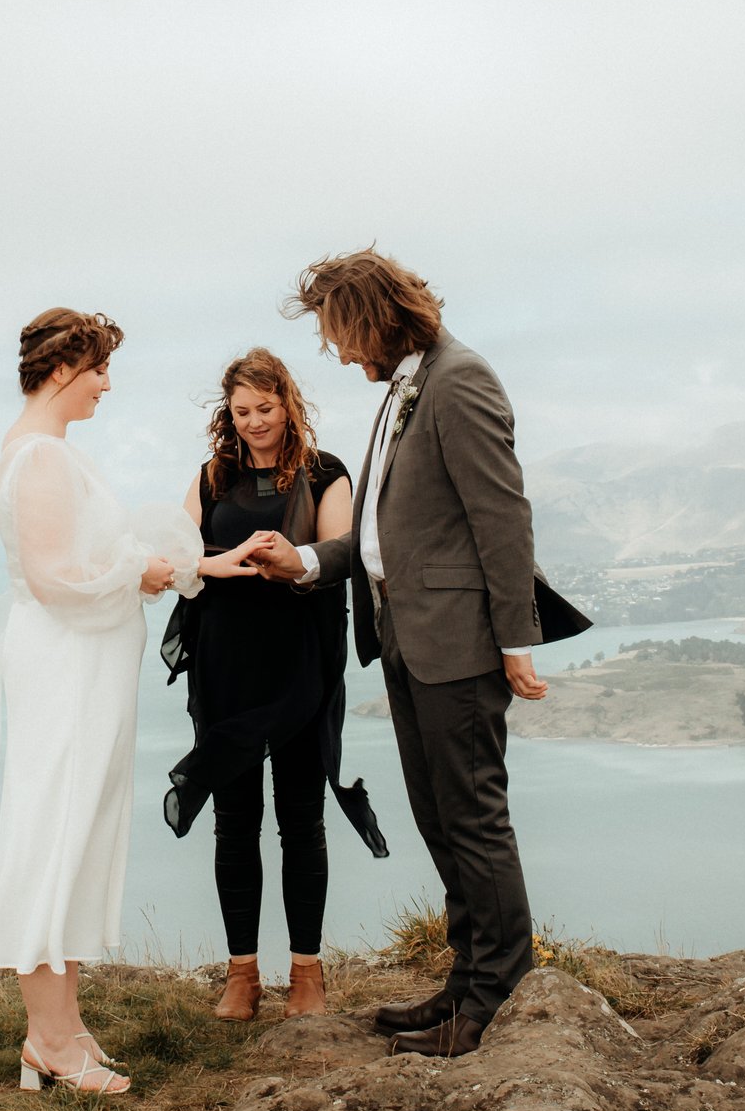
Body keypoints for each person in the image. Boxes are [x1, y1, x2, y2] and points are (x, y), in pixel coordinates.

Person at [248, 251, 589, 1059]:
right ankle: (469, 979)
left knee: (474, 818)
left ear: (372, 319)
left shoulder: (460, 379)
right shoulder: (407, 385)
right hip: (404, 637)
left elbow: (501, 519)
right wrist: (302, 561)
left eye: (338, 334)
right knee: (440, 818)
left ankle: (496, 1002)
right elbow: (384, 535)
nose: (336, 353)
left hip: (459, 642)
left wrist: (515, 641)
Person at [0, 307, 203, 1094]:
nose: (107, 385)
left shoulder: (40, 451)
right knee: (53, 829)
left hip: (79, 665)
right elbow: (54, 579)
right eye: (98, 370)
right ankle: (51, 1038)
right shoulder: (43, 459)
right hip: (65, 668)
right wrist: (140, 572)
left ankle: (58, 1028)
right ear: (61, 370)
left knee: (77, 827)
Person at [159, 349, 388, 1023]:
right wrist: (225, 561)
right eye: (241, 411)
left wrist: (288, 563)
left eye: (265, 407)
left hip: (300, 667)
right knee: (234, 823)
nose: (254, 422)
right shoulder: (210, 478)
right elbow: (181, 561)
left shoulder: (326, 473)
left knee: (301, 820)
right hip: (226, 664)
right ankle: (241, 974)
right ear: (226, 415)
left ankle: (308, 974)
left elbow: (340, 555)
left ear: (287, 402)